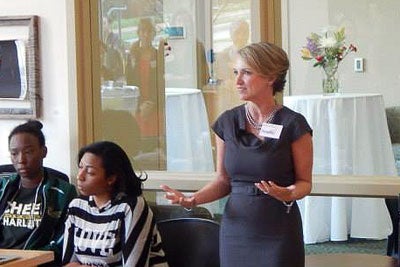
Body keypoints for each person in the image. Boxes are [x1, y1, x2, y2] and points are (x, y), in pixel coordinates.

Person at [161, 42, 313, 267]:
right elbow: (223, 181)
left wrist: (288, 193)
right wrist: (192, 199)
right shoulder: (227, 122)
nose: (237, 81)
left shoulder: (293, 124)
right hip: (237, 229)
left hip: (278, 228)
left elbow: (304, 183)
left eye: (247, 73)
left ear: (271, 77)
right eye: (236, 72)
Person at [62, 141, 168, 267]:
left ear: (111, 178)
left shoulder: (132, 207)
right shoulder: (77, 207)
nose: (80, 176)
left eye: (90, 172)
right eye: (80, 167)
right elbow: (69, 263)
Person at [0, 120, 77, 265]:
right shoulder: (3, 187)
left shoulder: (62, 192)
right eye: (14, 153)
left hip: (38, 262)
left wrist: (32, 260)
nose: (21, 160)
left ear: (44, 151)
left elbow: (64, 241)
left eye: (28, 152)